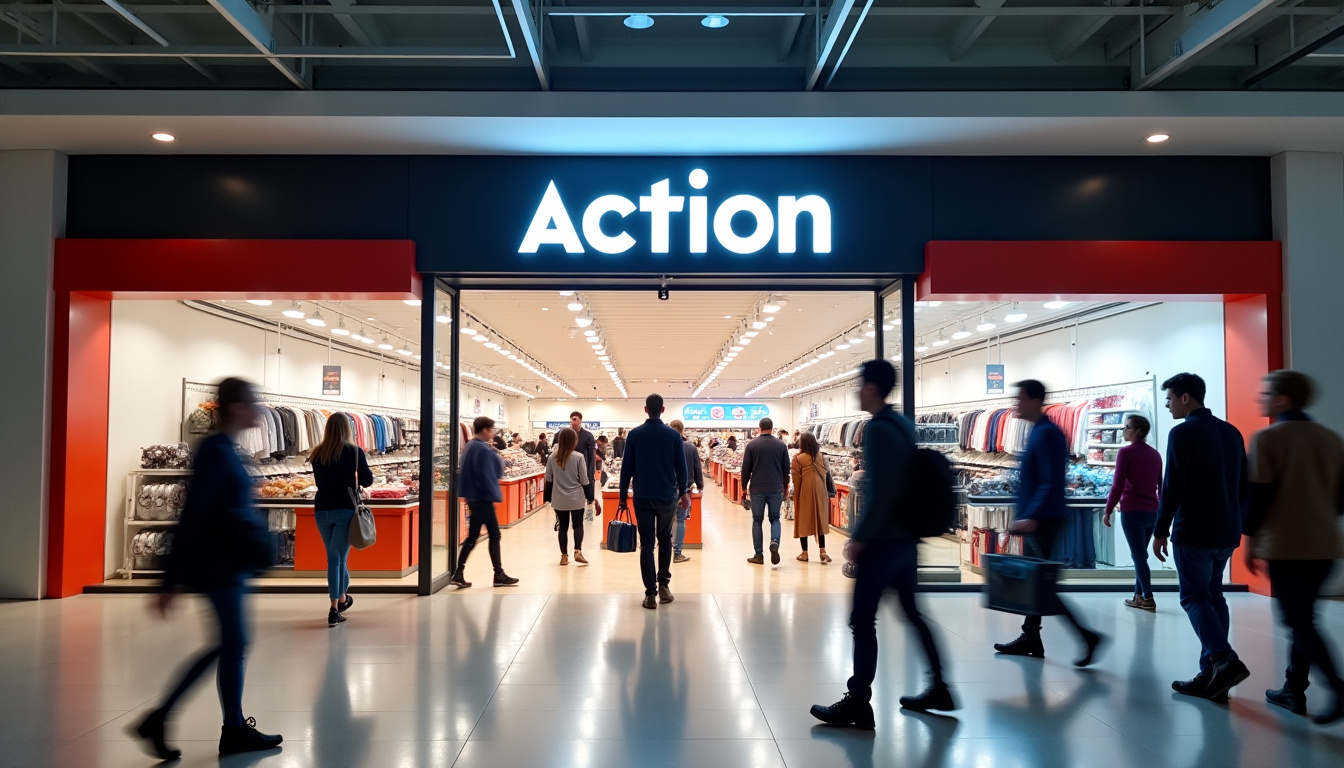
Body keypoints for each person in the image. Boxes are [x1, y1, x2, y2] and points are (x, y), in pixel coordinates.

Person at [131, 378, 282, 760]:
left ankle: (228, 725)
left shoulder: (228, 449)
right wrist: (169, 580)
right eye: (253, 402)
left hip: (230, 565)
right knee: (232, 645)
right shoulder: (215, 451)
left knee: (232, 646)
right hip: (218, 567)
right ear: (236, 407)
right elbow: (194, 516)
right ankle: (166, 718)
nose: (260, 409)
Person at [811, 361, 957, 729]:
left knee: (862, 619)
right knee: (912, 613)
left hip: (884, 541)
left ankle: (859, 700)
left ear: (872, 388)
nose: (857, 390)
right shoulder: (902, 424)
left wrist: (860, 537)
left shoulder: (877, 429)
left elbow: (882, 491)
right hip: (906, 538)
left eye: (860, 384)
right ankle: (939, 685)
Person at [1244, 370, 1344, 724]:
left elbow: (1259, 497)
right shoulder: (1331, 438)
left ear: (1283, 398)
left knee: (1299, 622)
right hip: (1326, 544)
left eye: (1266, 392)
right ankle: (1293, 689)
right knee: (1305, 618)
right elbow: (1341, 497)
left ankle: (1337, 688)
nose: (1261, 398)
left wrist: (1250, 540)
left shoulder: (1269, 438)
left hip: (1287, 545)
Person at [993, 379, 1105, 667]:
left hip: (1043, 521)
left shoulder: (1048, 433)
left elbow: (1050, 481)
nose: (1015, 404)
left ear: (1034, 400)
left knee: (1041, 586)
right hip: (1039, 518)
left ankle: (1086, 635)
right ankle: (1031, 636)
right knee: (1037, 583)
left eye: (1020, 399)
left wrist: (1032, 515)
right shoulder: (1039, 431)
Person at [1154, 372, 1250, 701]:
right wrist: (1239, 523)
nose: (1166, 404)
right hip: (1226, 530)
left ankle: (1223, 659)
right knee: (1214, 596)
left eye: (1169, 398)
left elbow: (1173, 485)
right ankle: (1211, 674)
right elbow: (1243, 484)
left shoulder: (1182, 433)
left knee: (1193, 597)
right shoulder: (1231, 432)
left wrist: (1160, 528)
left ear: (1185, 398)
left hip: (1194, 529)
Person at [618, 393, 690, 609]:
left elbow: (626, 468)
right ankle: (665, 587)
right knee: (666, 539)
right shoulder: (673, 436)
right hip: (667, 496)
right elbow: (682, 468)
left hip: (643, 496)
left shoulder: (635, 435)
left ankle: (650, 594)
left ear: (645, 409)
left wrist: (623, 497)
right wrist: (684, 491)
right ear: (663, 410)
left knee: (647, 544)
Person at [308, 413, 374, 627]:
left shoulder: (317, 453)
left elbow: (320, 481)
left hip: (321, 509)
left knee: (336, 557)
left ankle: (343, 598)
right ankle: (334, 607)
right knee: (336, 559)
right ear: (348, 428)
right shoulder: (354, 451)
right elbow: (367, 480)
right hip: (344, 509)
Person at [450, 416, 519, 588]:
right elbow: (489, 474)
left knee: (474, 536)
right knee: (493, 535)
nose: (494, 432)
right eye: (492, 429)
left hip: (474, 497)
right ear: (486, 430)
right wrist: (494, 494)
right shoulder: (482, 450)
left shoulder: (470, 447)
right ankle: (498, 575)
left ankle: (460, 572)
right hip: (482, 498)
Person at [1103, 414, 1163, 611]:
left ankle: (1148, 597)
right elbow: (1160, 486)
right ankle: (1138, 596)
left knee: (1139, 557)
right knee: (1140, 555)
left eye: (1127, 427)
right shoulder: (1155, 454)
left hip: (1132, 510)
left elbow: (1117, 485)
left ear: (1138, 431)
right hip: (1152, 511)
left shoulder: (1125, 453)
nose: (1124, 431)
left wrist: (1108, 509)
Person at [742, 417, 791, 565]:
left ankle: (759, 555)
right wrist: (785, 485)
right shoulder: (781, 445)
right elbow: (786, 469)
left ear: (759, 427)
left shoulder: (751, 445)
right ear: (772, 427)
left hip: (757, 487)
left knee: (757, 520)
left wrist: (744, 488)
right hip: (776, 487)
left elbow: (746, 469)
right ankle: (774, 543)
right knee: (775, 518)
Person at [546, 427, 594, 566]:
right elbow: (585, 480)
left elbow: (548, 478)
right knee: (578, 525)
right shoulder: (578, 457)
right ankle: (578, 551)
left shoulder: (552, 457)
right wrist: (590, 496)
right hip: (576, 497)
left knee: (563, 527)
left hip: (559, 498)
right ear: (574, 441)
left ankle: (564, 556)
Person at [792, 432, 833, 563]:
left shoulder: (798, 458)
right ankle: (823, 551)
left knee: (803, 519)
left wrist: (796, 496)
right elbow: (828, 474)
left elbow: (796, 480)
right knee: (820, 518)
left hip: (805, 490)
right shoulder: (821, 457)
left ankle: (804, 553)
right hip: (821, 491)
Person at [669, 419, 704, 563]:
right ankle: (677, 553)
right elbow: (697, 468)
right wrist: (700, 486)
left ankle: (664, 550)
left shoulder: (665, 446)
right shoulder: (690, 448)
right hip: (685, 489)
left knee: (666, 521)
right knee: (681, 520)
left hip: (668, 489)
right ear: (683, 430)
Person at [570, 411, 598, 489]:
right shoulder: (565, 435)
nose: (572, 422)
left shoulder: (588, 436)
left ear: (580, 420)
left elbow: (591, 457)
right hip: (568, 473)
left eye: (575, 419)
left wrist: (590, 475)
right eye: (571, 420)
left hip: (583, 471)